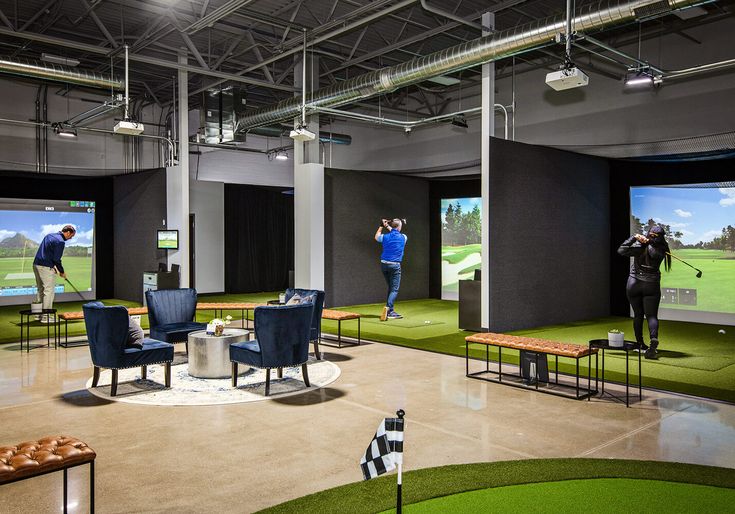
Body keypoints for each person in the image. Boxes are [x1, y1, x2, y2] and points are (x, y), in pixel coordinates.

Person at [617, 225, 672, 359]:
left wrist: (634, 237)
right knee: (652, 316)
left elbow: (621, 250)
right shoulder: (663, 249)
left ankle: (640, 344)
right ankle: (653, 339)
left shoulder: (639, 246)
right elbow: (654, 248)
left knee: (638, 315)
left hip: (634, 284)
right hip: (651, 286)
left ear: (649, 234)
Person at [33, 224, 76, 323]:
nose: (70, 238)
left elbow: (48, 254)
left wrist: (53, 267)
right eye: (71, 236)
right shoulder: (60, 241)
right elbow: (56, 259)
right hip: (45, 267)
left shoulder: (50, 235)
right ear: (68, 232)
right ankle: (46, 317)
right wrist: (62, 271)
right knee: (49, 291)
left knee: (40, 289)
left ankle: (37, 316)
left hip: (36, 265)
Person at [375, 218, 408, 321]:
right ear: (399, 227)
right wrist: (387, 226)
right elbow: (395, 232)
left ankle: (391, 309)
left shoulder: (385, 237)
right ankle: (389, 310)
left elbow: (376, 237)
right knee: (394, 289)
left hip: (384, 265)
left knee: (391, 287)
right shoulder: (403, 237)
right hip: (395, 266)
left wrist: (381, 226)